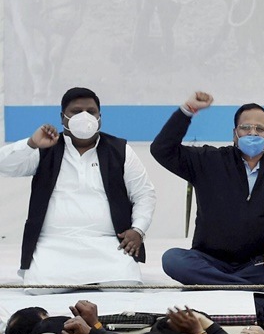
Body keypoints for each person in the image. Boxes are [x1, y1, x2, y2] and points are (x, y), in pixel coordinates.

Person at [0, 87, 155, 290]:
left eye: (91, 112)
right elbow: (4, 165)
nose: (84, 116)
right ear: (63, 117)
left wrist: (138, 230)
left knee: (125, 285)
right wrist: (31, 144)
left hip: (108, 245)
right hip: (53, 245)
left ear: (100, 117)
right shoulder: (46, 148)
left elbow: (144, 194)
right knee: (39, 288)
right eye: (76, 111)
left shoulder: (120, 150)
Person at [152, 91, 264, 286]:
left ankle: (217, 283)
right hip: (209, 260)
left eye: (259, 129)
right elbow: (162, 149)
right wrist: (188, 110)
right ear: (234, 134)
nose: (252, 133)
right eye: (245, 128)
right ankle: (241, 284)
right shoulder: (208, 161)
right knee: (173, 259)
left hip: (259, 262)